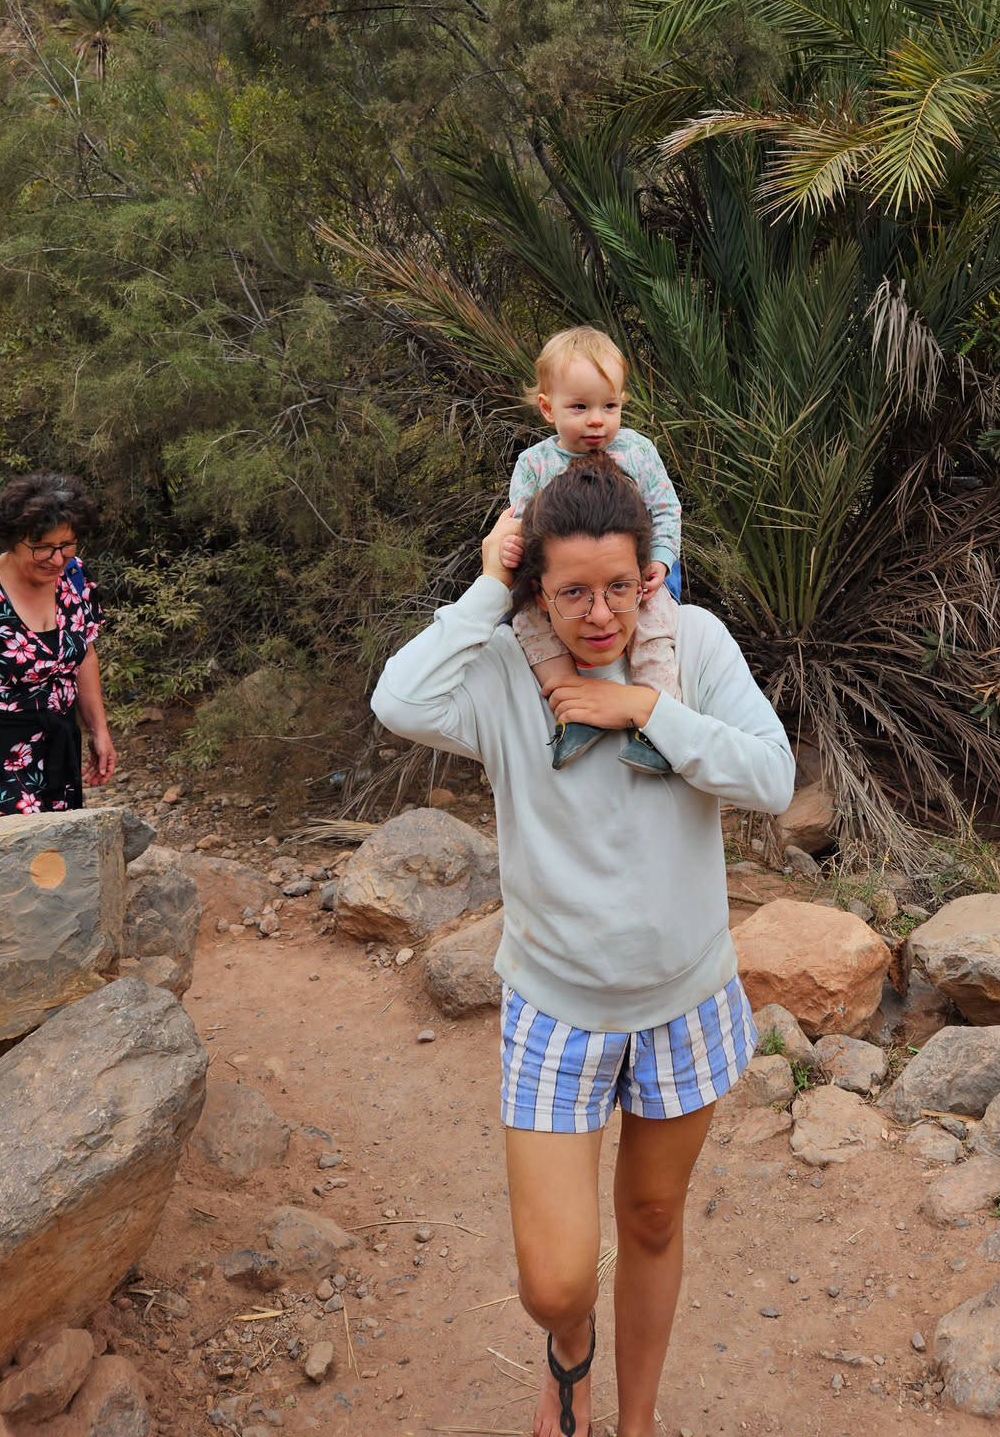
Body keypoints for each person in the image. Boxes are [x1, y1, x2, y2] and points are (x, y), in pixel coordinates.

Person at [371, 457, 793, 1437]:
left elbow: (772, 776)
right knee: (554, 1283)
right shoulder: (503, 672)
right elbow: (398, 700)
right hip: (558, 1007)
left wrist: (646, 710)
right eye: (571, 592)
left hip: (684, 998)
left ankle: (633, 1421)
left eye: (618, 587)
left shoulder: (693, 645)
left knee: (651, 1218)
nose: (599, 615)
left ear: (649, 576)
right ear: (537, 589)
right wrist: (489, 584)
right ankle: (571, 1345)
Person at [503, 326, 682, 775]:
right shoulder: (534, 464)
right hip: (562, 584)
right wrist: (509, 555)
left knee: (653, 629)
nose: (597, 420)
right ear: (548, 408)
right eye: (580, 407)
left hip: (637, 576)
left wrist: (661, 559)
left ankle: (660, 724)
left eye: (610, 406)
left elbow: (666, 508)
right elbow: (520, 524)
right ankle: (572, 709)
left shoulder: (637, 451)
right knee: (527, 622)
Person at [0, 472, 116, 823]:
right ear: (13, 538)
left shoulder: (75, 578)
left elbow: (85, 655)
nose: (56, 559)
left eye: (67, 545)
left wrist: (99, 731)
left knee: (58, 852)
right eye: (42, 547)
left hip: (57, 752)